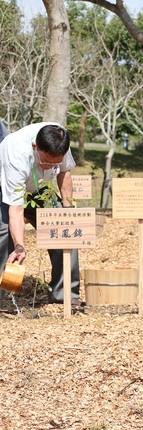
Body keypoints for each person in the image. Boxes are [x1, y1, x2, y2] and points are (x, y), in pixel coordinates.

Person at [0, 123, 81, 307]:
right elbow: (16, 209)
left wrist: (68, 210)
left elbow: (65, 173)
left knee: (65, 227)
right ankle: (3, 297)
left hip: (41, 188)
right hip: (7, 190)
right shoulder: (16, 152)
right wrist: (20, 246)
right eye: (45, 162)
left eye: (55, 163)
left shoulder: (60, 140)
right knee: (4, 231)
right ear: (35, 147)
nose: (50, 166)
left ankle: (65, 293)